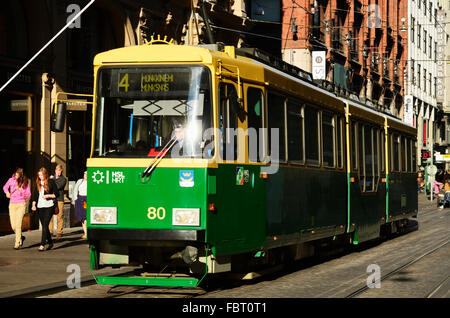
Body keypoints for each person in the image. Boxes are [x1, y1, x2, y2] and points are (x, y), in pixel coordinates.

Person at [2, 168, 31, 250]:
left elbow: (28, 194)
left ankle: (17, 242)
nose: (17, 175)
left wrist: (22, 190)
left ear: (22, 175)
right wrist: (7, 192)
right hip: (12, 204)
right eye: (16, 173)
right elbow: (5, 187)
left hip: (21, 204)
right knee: (13, 226)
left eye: (19, 174)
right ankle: (20, 237)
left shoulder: (25, 182)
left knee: (18, 225)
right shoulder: (11, 180)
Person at [31, 167, 58, 251]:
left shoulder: (51, 182)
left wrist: (48, 196)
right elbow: (35, 195)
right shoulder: (38, 182)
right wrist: (33, 205)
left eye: (41, 175)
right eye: (39, 175)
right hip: (40, 207)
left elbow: (56, 194)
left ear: (45, 174)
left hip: (49, 206)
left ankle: (42, 244)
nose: (40, 177)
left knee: (45, 224)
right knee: (44, 226)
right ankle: (50, 242)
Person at [49, 164, 67, 238]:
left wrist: (52, 180)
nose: (59, 172)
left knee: (59, 216)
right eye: (58, 171)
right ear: (55, 170)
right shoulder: (51, 178)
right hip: (51, 199)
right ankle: (50, 231)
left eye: (60, 171)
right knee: (50, 216)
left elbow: (58, 187)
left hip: (59, 199)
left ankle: (59, 231)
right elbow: (48, 186)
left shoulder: (63, 179)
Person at [73, 171, 87, 239]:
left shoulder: (91, 182)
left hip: (86, 200)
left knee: (85, 216)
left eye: (87, 174)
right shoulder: (80, 181)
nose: (86, 175)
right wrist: (75, 199)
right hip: (80, 199)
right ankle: (85, 232)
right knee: (81, 217)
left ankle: (87, 233)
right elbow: (75, 190)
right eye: (84, 173)